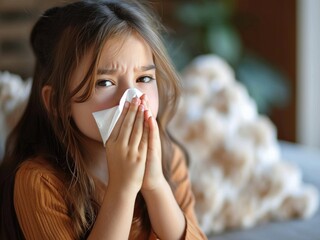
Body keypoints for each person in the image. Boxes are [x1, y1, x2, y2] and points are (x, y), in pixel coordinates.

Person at [0, 0, 207, 239]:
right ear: (58, 102)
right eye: (105, 83)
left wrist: (156, 185)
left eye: (144, 78)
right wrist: (123, 189)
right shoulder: (39, 182)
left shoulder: (169, 158)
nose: (132, 99)